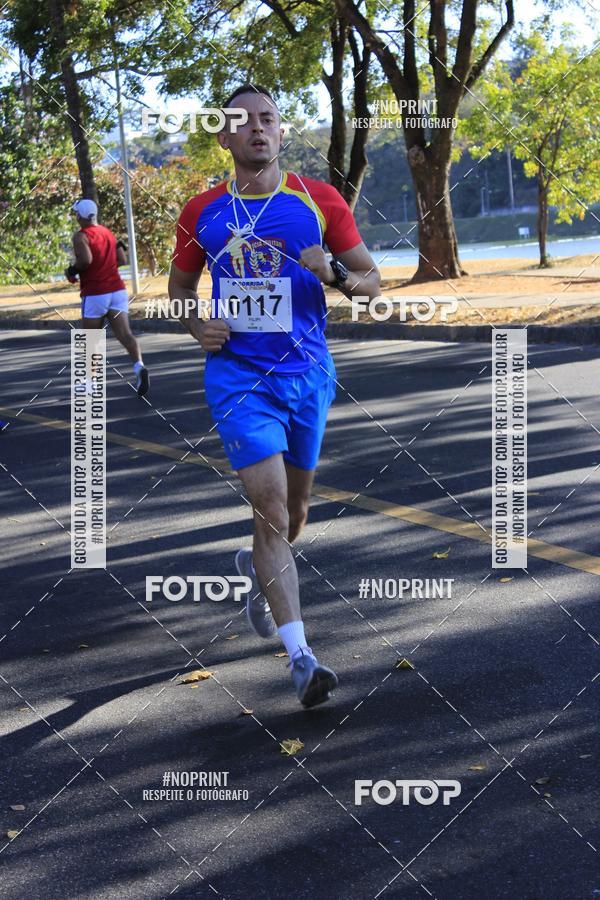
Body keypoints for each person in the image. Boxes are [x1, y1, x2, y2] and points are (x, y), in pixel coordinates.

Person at [168, 84, 381, 708]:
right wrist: (195, 324)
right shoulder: (201, 210)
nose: (258, 129)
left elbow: (372, 285)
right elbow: (180, 290)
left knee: (295, 516)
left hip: (308, 375)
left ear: (282, 133)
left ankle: (260, 580)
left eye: (268, 120)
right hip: (237, 378)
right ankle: (301, 657)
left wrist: (334, 273)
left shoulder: (319, 201)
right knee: (271, 510)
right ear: (225, 136)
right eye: (244, 121)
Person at [65, 199, 149, 396]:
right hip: (117, 291)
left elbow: (85, 260)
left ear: (80, 217)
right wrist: (106, 268)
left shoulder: (81, 236)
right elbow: (122, 259)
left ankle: (89, 383)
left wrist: (72, 270)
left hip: (95, 293)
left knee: (91, 339)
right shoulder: (108, 233)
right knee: (125, 334)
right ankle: (139, 366)